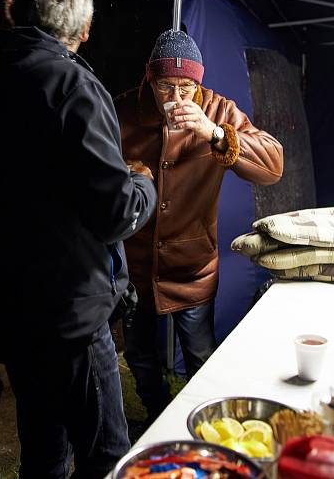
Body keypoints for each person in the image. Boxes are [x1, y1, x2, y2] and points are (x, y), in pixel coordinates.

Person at [0, 0, 157, 478]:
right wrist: (144, 182)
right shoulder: (72, 85)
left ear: (13, 13)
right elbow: (115, 212)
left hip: (9, 304)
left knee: (42, 451)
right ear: (83, 31)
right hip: (71, 313)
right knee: (106, 455)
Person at [114, 29, 284, 422]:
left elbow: (273, 165)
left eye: (186, 88)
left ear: (199, 82)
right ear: (149, 79)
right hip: (136, 266)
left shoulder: (221, 111)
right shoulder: (122, 110)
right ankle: (158, 417)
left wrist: (215, 133)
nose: (175, 99)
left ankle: (201, 425)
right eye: (165, 87)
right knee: (140, 355)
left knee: (201, 355)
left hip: (194, 265)